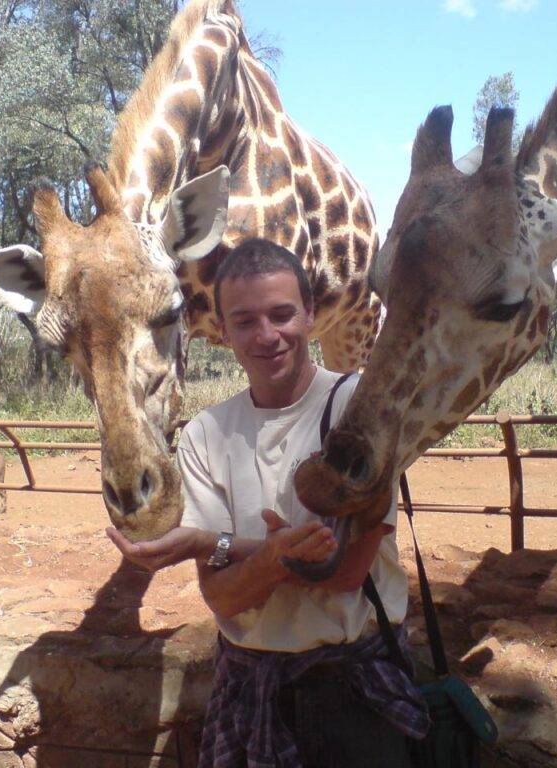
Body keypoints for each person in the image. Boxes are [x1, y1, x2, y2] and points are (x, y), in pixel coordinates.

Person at [108, 237, 428, 768]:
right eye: (245, 321)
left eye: (282, 314)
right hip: (248, 691)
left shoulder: (361, 407)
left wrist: (218, 544)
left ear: (309, 313)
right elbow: (224, 598)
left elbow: (345, 571)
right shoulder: (206, 435)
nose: (267, 336)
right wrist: (274, 554)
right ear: (223, 332)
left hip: (354, 694)